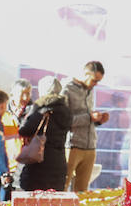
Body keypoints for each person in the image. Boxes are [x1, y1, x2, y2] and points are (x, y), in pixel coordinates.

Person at [17, 76, 72, 190]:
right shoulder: (67, 111)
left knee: (34, 203)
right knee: (53, 204)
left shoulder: (41, 110)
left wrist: (28, 114)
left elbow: (24, 130)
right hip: (59, 164)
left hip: (39, 165)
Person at [63, 61, 107, 192]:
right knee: (63, 188)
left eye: (98, 81)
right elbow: (63, 120)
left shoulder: (90, 91)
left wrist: (98, 120)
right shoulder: (67, 89)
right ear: (86, 74)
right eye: (94, 80)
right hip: (72, 146)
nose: (95, 84)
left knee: (82, 192)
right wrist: (89, 118)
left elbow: (88, 117)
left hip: (90, 147)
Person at [4, 78, 34, 163]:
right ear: (12, 94)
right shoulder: (2, 110)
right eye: (22, 94)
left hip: (27, 159)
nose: (25, 98)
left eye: (28, 94)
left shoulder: (34, 111)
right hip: (6, 159)